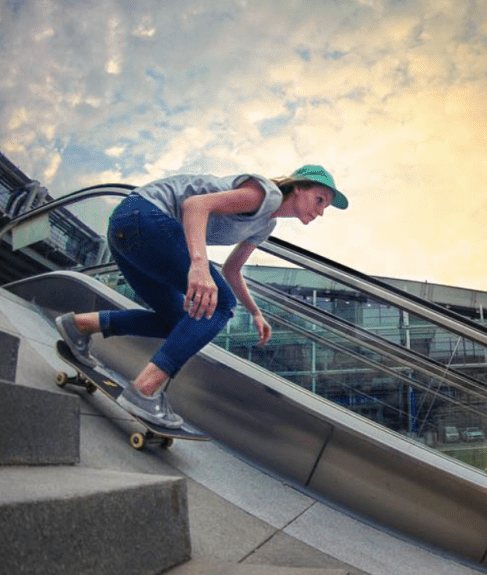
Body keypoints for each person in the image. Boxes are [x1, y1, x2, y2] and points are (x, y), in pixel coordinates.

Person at [55, 164, 348, 428]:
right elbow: (195, 206)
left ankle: (79, 325)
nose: (321, 210)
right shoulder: (265, 195)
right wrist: (199, 267)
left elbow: (233, 270)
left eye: (326, 207)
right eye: (319, 199)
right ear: (298, 188)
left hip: (127, 228)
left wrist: (256, 312)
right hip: (145, 216)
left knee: (178, 321)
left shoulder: (265, 224)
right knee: (219, 306)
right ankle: (145, 389)